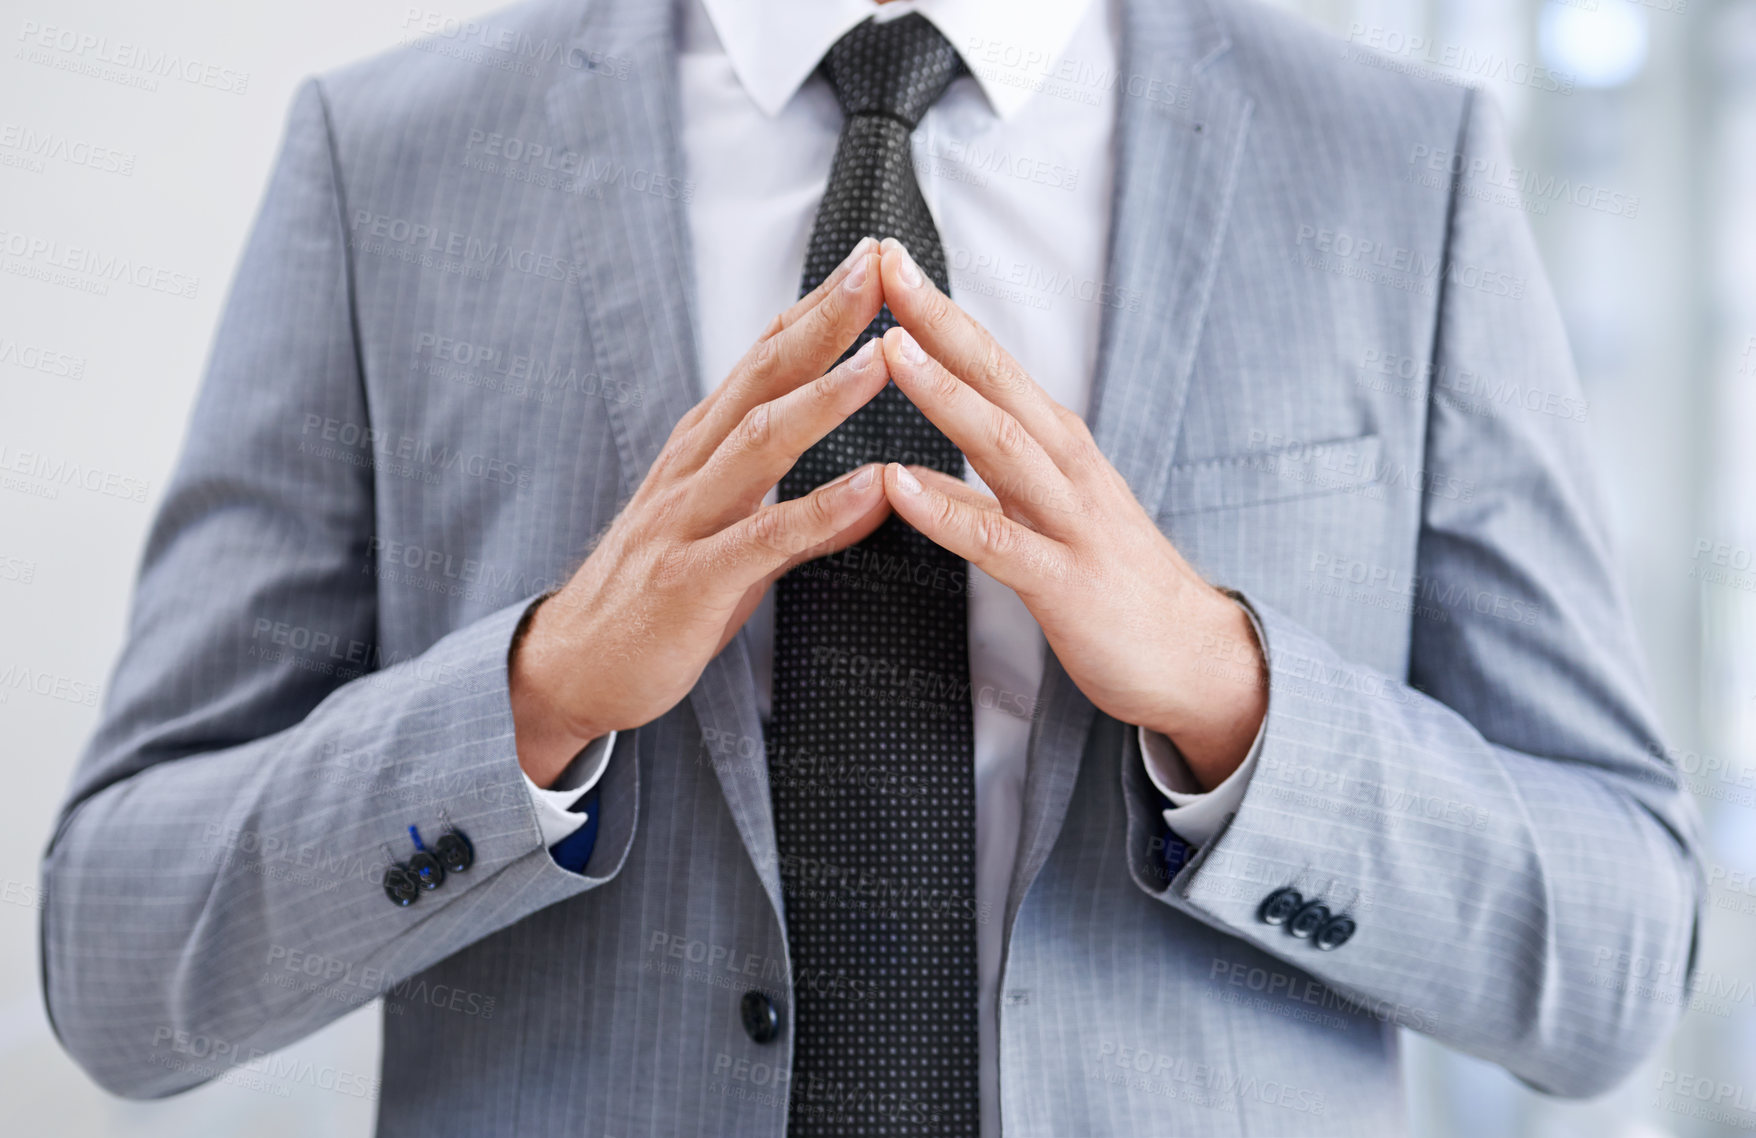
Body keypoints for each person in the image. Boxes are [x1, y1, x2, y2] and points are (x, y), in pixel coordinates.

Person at [41, 0, 1704, 1134]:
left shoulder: (1399, 167)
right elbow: (118, 951)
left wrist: (1231, 696)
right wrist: (530, 704)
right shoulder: (387, 163)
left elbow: (1620, 949)